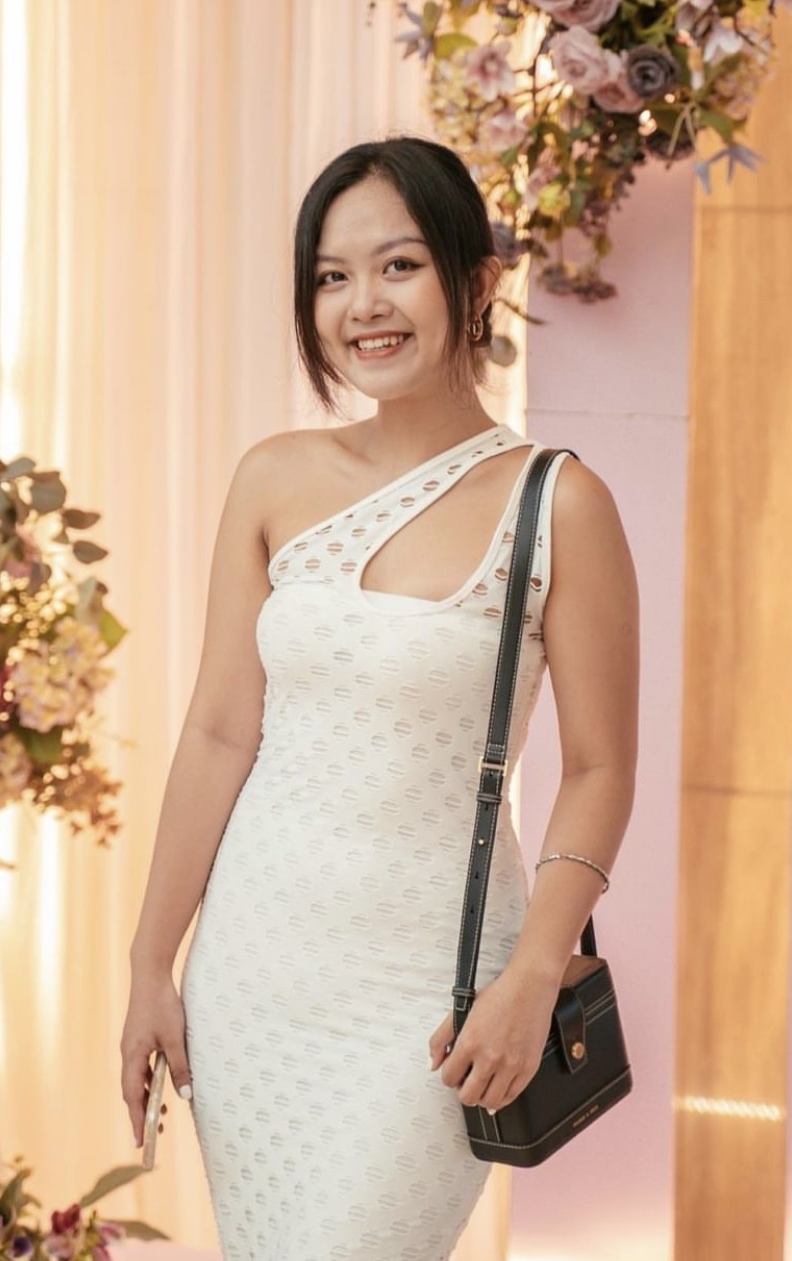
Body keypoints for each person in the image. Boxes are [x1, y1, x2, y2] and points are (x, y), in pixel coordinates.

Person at [120, 136, 639, 1260]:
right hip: (255, 972)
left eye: (398, 265)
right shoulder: (272, 476)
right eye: (331, 275)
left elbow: (601, 766)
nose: (363, 304)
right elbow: (219, 730)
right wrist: (149, 963)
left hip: (435, 990)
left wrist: (534, 973)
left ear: (476, 279)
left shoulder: (561, 502)